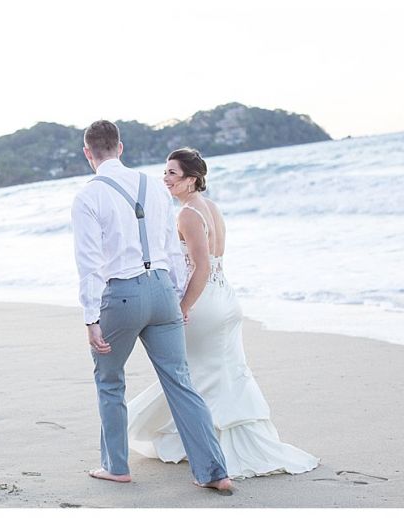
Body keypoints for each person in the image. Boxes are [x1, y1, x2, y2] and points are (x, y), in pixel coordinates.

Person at [127, 147, 320, 479]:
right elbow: (218, 259)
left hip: (205, 304)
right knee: (225, 372)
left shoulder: (187, 214)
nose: (166, 178)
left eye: (173, 173)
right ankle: (217, 441)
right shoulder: (211, 208)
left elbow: (200, 267)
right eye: (165, 172)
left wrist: (183, 307)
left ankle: (210, 446)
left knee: (197, 375)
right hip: (226, 299)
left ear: (191, 179)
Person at [71, 121, 233, 491]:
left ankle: (116, 465)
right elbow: (171, 252)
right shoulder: (153, 187)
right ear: (120, 147)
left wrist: (90, 318)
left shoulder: (88, 196)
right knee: (180, 381)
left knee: (110, 381)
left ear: (88, 153)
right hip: (162, 291)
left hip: (122, 295)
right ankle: (214, 472)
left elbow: (89, 263)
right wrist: (176, 300)